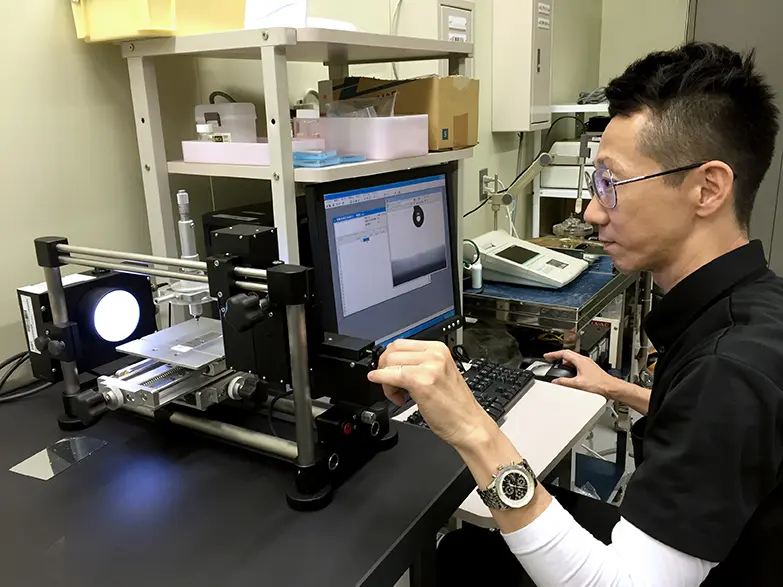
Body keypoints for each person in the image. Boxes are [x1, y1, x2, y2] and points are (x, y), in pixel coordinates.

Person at [369, 42, 783, 586]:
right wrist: (619, 389)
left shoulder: (726, 371)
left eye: (612, 184)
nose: (591, 212)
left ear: (707, 189)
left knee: (465, 559)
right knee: (472, 548)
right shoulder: (757, 306)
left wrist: (472, 427)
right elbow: (716, 430)